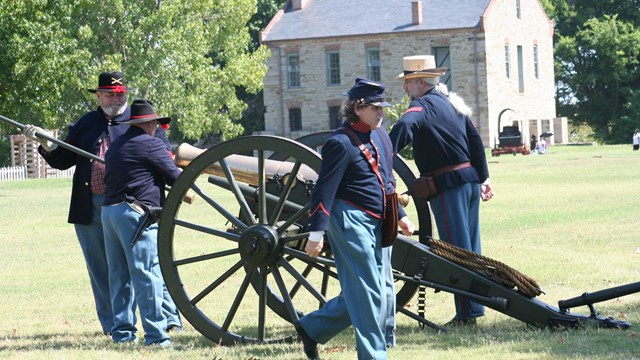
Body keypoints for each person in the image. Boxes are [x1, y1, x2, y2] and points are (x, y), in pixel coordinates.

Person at [21, 72, 181, 335]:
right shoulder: (86, 124)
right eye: (110, 94)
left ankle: (167, 319)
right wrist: (47, 144)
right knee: (103, 270)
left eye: (120, 94)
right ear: (98, 95)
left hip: (135, 204)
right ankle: (113, 324)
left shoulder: (143, 121)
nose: (116, 99)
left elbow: (164, 157)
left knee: (147, 264)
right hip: (93, 205)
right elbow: (63, 160)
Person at [295, 78, 414, 360]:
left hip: (380, 218)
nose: (381, 112)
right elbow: (325, 189)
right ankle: (374, 355)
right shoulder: (340, 143)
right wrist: (316, 235)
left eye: (382, 107)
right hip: (349, 219)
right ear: (358, 108)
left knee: (378, 288)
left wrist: (402, 216)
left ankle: (312, 328)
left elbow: (387, 180)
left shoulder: (382, 136)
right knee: (369, 290)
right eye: (375, 108)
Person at [389, 55, 493, 327]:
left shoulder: (421, 106)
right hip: (469, 183)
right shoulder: (451, 103)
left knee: (456, 252)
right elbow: (475, 140)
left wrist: (382, 153)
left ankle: (468, 314)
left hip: (448, 187)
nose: (405, 88)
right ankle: (475, 307)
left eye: (408, 83)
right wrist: (483, 178)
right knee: (471, 249)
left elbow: (403, 126)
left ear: (420, 82)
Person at [101, 99, 180, 346]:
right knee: (147, 275)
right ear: (151, 123)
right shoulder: (150, 144)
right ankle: (156, 336)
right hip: (135, 215)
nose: (157, 128)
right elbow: (176, 177)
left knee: (119, 277)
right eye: (156, 123)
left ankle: (123, 335)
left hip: (110, 214)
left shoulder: (115, 146)